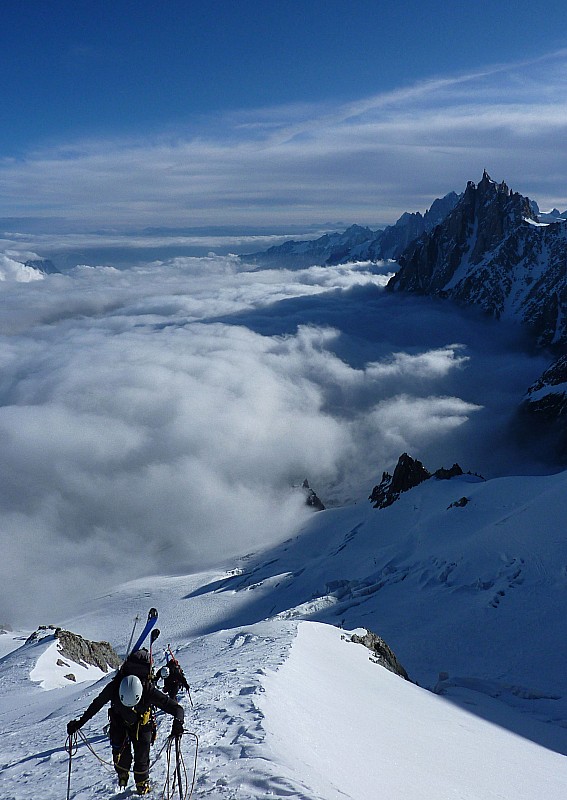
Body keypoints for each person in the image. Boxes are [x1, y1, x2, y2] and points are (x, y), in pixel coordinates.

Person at [66, 648, 184, 796]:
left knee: (140, 755)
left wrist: (178, 723)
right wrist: (79, 723)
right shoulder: (116, 686)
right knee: (124, 754)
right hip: (123, 722)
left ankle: (140, 782)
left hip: (138, 724)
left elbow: (177, 709)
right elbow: (96, 705)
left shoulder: (146, 689)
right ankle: (125, 775)